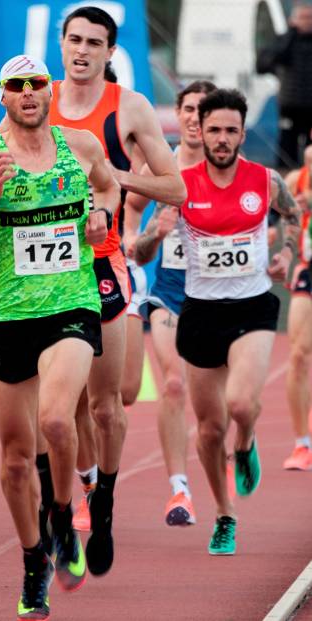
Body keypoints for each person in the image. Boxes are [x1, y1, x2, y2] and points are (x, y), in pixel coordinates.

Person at [0, 55, 120, 620]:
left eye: (37, 84)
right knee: (17, 459)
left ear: (50, 91)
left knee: (56, 420)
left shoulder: (82, 146)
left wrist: (102, 218)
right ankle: (33, 560)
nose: (29, 93)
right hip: (8, 314)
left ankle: (64, 518)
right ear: (3, 96)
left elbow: (111, 190)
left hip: (72, 304)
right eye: (17, 86)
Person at [48, 5, 186, 576]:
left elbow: (175, 186)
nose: (82, 51)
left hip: (105, 265)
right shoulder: (35, 100)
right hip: (47, 273)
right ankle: (82, 487)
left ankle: (103, 500)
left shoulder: (128, 108)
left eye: (94, 43)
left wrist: (113, 176)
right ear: (62, 43)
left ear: (110, 51)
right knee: (66, 404)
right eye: (74, 40)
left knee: (110, 404)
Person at [167, 88, 298, 555]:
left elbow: (295, 214)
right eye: (215, 130)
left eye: (231, 131)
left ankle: (246, 445)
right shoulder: (180, 184)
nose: (222, 139)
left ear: (244, 134)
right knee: (207, 430)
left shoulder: (264, 180)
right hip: (200, 312)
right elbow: (142, 247)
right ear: (199, 131)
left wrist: (285, 252)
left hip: (252, 307)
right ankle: (225, 514)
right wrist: (152, 238)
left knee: (241, 405)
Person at [123, 80, 217, 527]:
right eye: (189, 110)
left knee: (224, 402)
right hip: (170, 292)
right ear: (177, 116)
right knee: (173, 385)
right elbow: (133, 241)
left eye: (204, 111)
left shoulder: (230, 171)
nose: (195, 119)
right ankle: (179, 490)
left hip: (221, 295)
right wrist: (150, 236)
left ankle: (243, 438)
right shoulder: (161, 169)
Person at [282, 142, 312, 470]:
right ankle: (302, 443)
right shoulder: (296, 179)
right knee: (299, 355)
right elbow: (284, 217)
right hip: (308, 269)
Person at [256, 1, 312, 169]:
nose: (307, 21)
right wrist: (291, 34)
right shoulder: (284, 41)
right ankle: (286, 178)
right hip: (290, 106)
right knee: (287, 148)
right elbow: (263, 64)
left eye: (310, 17)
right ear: (292, 20)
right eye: (302, 17)